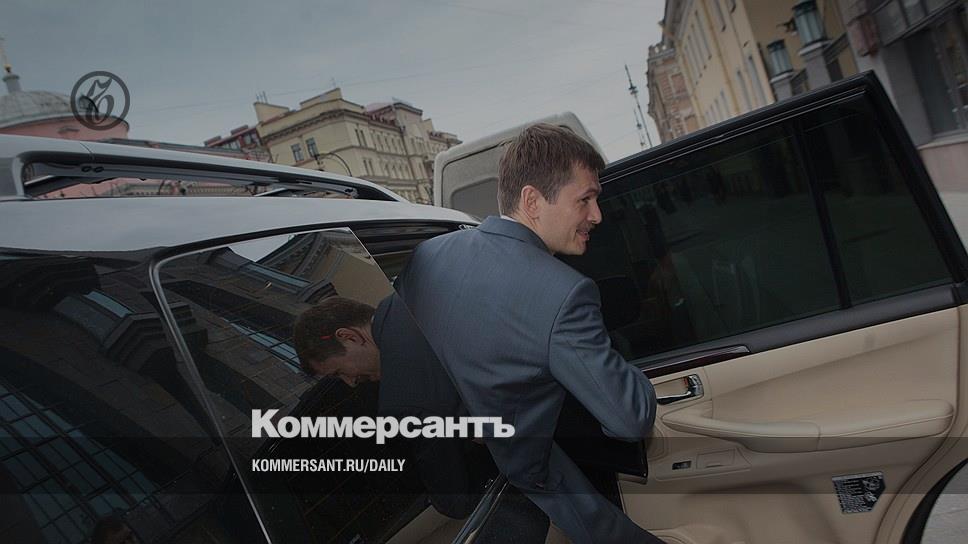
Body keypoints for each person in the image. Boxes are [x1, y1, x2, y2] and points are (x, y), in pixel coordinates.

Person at [394, 123, 661, 543]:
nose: (597, 215)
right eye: (585, 200)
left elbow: (417, 353)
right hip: (528, 480)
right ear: (533, 201)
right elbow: (629, 417)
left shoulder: (430, 254)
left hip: (459, 472)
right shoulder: (566, 293)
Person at [292, 293, 480, 519]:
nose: (350, 382)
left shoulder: (404, 399)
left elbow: (456, 501)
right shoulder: (415, 295)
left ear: (349, 337)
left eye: (339, 372)